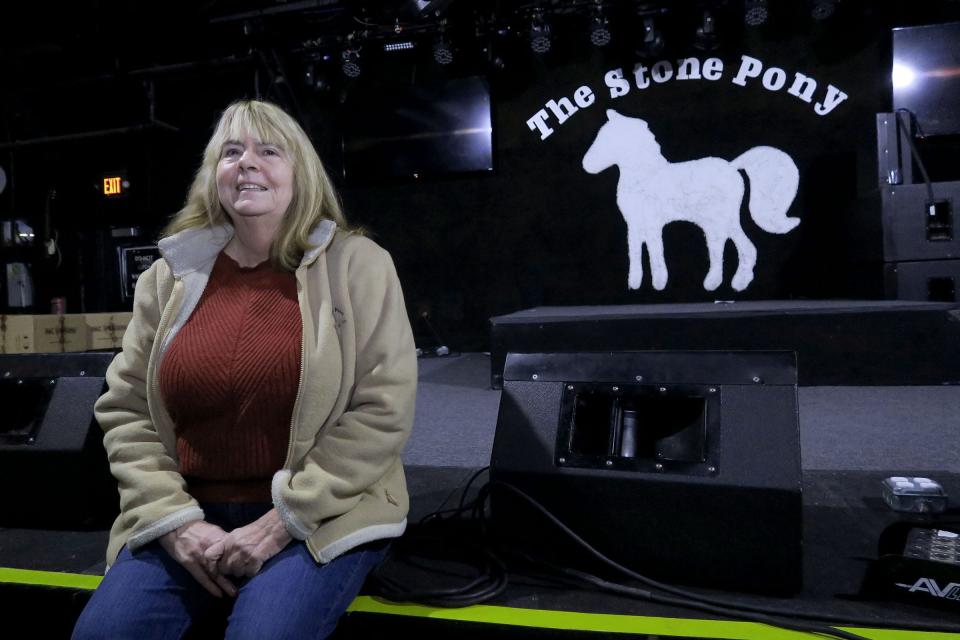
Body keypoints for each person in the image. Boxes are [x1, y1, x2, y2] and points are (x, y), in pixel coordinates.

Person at [72, 99, 417, 639]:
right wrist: (175, 521)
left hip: (318, 516)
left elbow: (382, 409)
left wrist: (280, 523)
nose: (247, 163)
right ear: (214, 177)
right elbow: (125, 408)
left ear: (300, 174)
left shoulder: (358, 264)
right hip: (188, 514)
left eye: (268, 151)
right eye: (231, 153)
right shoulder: (166, 278)